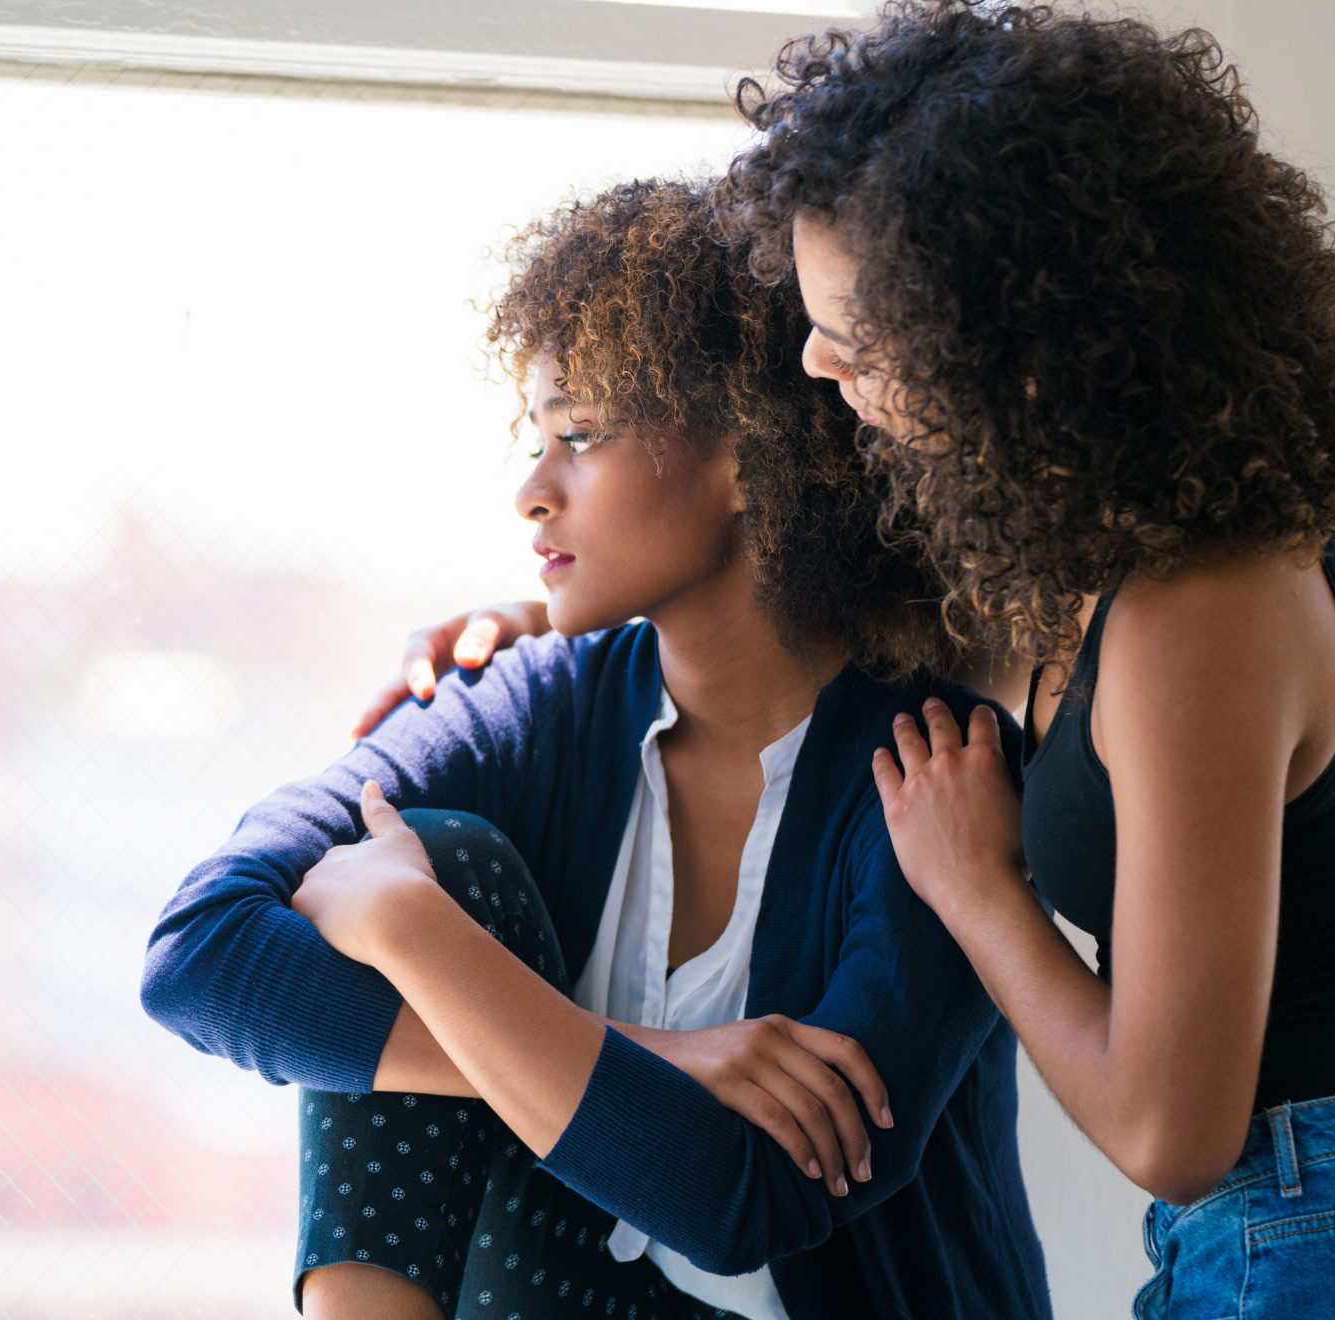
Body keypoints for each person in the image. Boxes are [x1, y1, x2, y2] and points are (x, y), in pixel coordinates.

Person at [138, 178, 1049, 1320]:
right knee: (437, 850)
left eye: (578, 436)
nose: (531, 493)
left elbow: (751, 1198)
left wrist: (412, 929)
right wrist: (654, 1050)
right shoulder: (533, 705)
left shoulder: (939, 774)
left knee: (419, 899)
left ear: (743, 457)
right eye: (536, 443)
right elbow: (196, 954)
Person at [705, 2, 1335, 1313]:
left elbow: (1174, 1134)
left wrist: (981, 888)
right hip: (1302, 1226)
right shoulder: (1086, 575)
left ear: (1018, 353)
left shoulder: (1201, 612)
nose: (815, 356)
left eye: (862, 336)